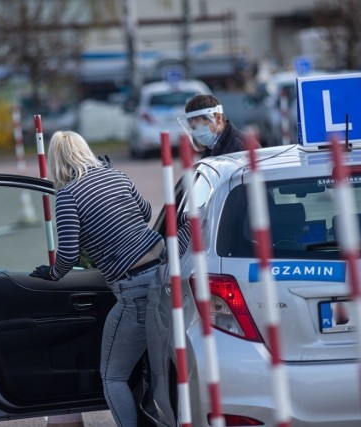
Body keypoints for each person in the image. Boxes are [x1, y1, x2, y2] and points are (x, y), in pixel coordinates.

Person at [30, 130, 164, 427]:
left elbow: (67, 254)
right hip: (164, 277)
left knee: (112, 376)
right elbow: (144, 213)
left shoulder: (67, 195)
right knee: (162, 368)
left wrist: (51, 274)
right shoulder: (116, 175)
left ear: (57, 160)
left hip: (134, 291)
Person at [179, 94, 258, 157]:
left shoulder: (239, 144)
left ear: (218, 118)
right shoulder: (210, 148)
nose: (198, 132)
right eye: (194, 128)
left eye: (201, 125)